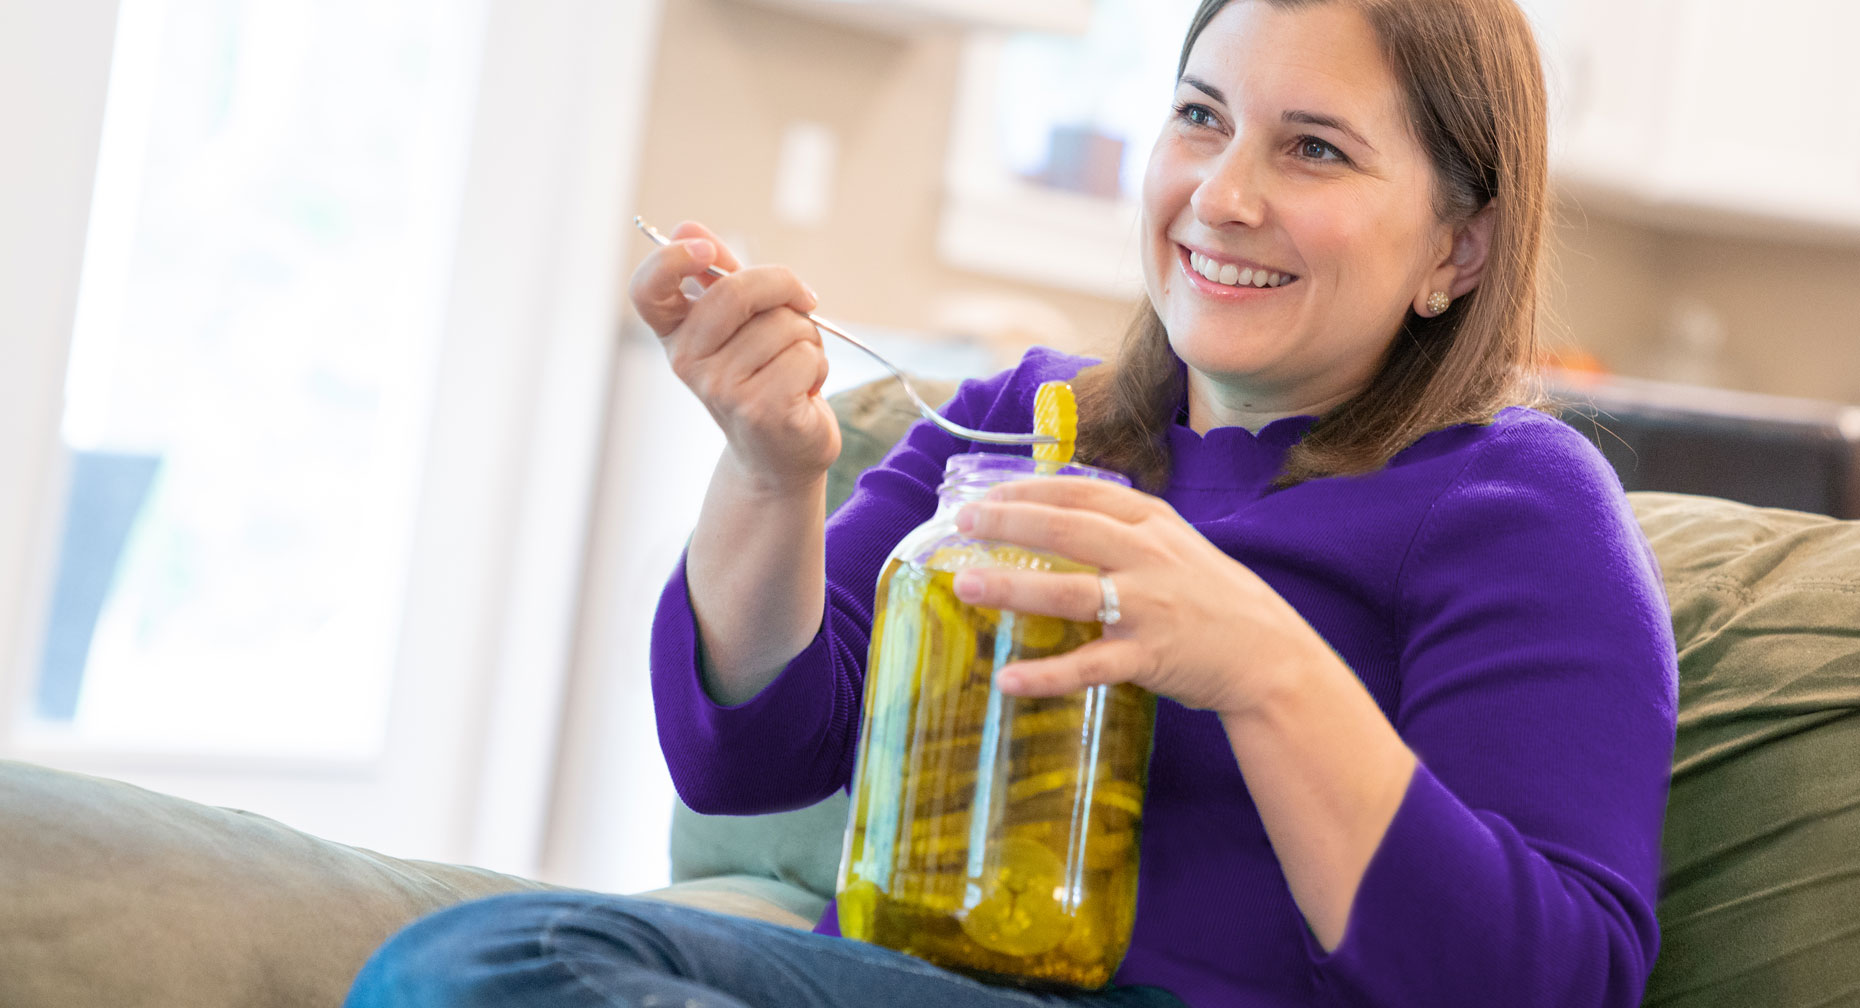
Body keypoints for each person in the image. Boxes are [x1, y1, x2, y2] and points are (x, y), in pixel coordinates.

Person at [345, 0, 1678, 1004]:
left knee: (499, 968)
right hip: (909, 977)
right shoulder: (1019, 421)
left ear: (1459, 246)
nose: (1222, 194)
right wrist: (772, 471)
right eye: (1201, 116)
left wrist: (1261, 663)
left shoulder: (1518, 503)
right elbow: (749, 757)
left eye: (1315, 149)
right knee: (476, 969)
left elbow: (1554, 979)